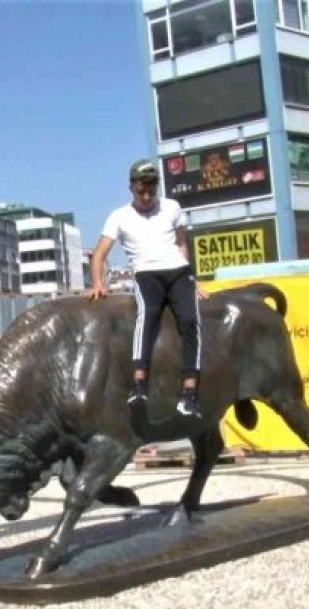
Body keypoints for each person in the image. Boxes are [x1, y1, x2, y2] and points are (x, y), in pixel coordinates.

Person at [86, 158, 204, 420]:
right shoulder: (119, 216)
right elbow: (99, 253)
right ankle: (139, 385)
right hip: (146, 274)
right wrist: (98, 282)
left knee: (189, 320)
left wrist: (192, 281)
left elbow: (182, 243)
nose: (148, 196)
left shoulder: (172, 207)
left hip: (178, 272)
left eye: (152, 189)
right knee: (148, 314)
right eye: (142, 190)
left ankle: (190, 394)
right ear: (132, 188)